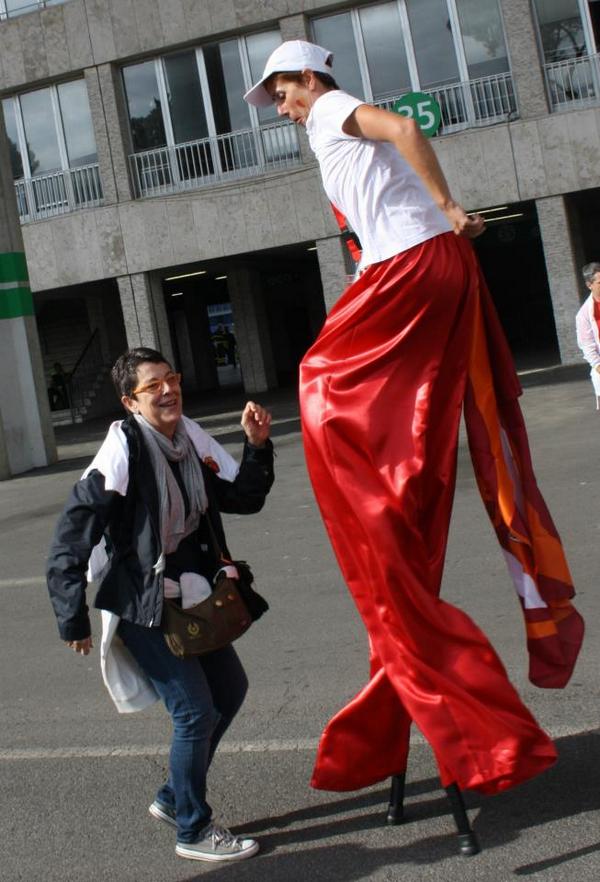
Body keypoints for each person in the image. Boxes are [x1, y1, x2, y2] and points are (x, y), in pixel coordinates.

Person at [245, 42, 583, 801]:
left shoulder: (332, 107)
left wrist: (451, 207)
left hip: (417, 260)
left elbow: (402, 130)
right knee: (407, 430)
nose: (286, 110)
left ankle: (382, 490)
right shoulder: (323, 131)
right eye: (281, 102)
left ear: (308, 78)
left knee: (319, 380)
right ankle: (398, 477)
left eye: (284, 95)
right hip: (418, 265)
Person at [47, 347, 273, 863]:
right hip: (142, 602)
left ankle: (175, 797)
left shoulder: (188, 439)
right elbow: (70, 535)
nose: (168, 390)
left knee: (229, 691)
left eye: (171, 378)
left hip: (191, 596)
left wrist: (258, 447)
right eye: (153, 387)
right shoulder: (123, 449)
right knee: (194, 712)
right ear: (130, 401)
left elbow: (242, 496)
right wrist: (71, 614)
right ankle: (193, 829)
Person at [575, 261, 600, 408]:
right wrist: (598, 366)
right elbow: (587, 347)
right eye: (599, 283)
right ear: (589, 285)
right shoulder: (584, 314)